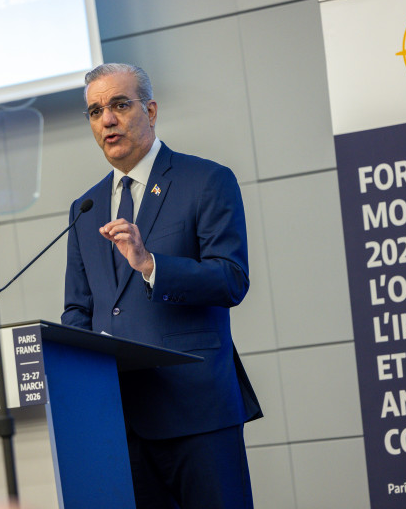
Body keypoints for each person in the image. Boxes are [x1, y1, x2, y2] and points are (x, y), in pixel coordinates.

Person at [61, 63, 263, 509]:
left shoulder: (206, 180)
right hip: (121, 421)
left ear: (150, 111)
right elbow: (78, 311)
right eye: (95, 111)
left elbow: (231, 279)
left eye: (119, 104)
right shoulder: (85, 208)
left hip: (196, 410)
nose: (107, 120)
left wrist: (152, 264)